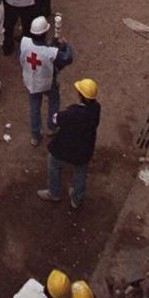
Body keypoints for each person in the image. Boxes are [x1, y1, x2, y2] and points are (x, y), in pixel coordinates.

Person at [38, 79, 101, 212]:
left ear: (81, 95)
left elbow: (56, 119)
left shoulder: (73, 113)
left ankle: (53, 192)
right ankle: (76, 199)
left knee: (53, 163)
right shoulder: (96, 108)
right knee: (81, 171)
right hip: (85, 147)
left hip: (67, 146)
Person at [20, 16, 73, 146]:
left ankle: (35, 136)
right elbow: (67, 58)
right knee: (53, 102)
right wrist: (66, 45)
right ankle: (52, 127)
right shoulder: (50, 52)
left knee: (34, 107)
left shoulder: (24, 42)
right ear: (45, 33)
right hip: (48, 83)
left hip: (31, 81)